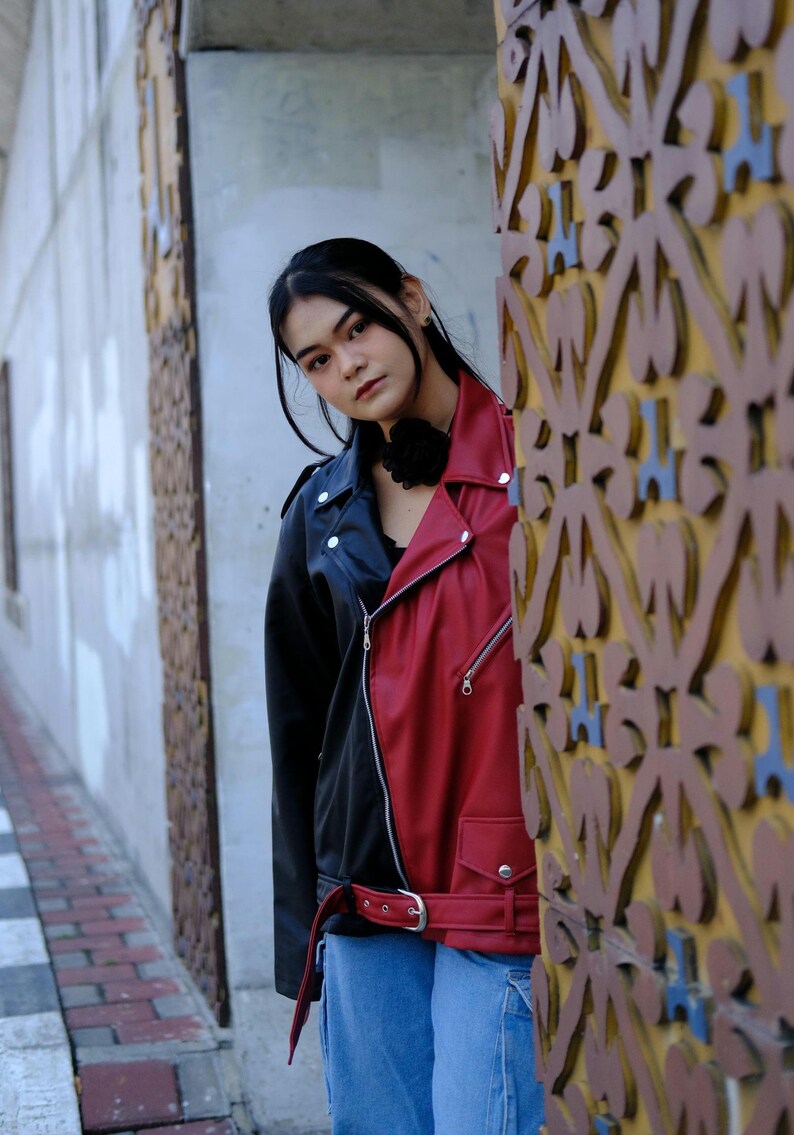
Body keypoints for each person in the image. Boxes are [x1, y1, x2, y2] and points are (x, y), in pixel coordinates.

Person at [265, 237, 543, 1135]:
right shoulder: (319, 514)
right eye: (318, 358)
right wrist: (302, 935)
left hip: (492, 887)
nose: (347, 364)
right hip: (366, 903)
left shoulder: (529, 465)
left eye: (358, 329)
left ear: (412, 302)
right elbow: (299, 731)